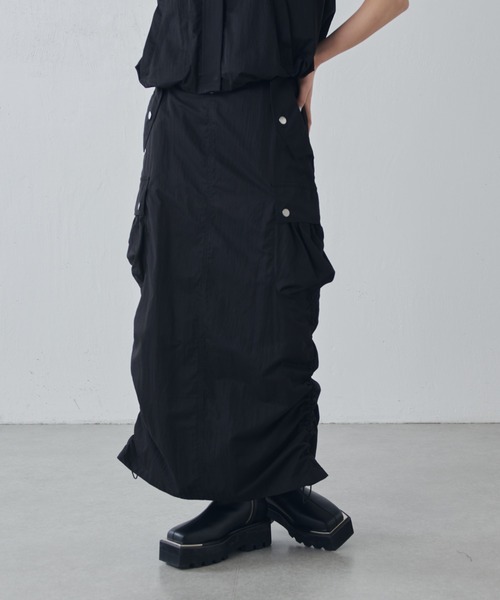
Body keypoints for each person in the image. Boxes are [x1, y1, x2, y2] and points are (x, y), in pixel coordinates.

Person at [117, 0, 409, 570]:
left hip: (262, 121)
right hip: (179, 120)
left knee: (271, 306)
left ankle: (277, 482)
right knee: (181, 311)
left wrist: (312, 58)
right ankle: (240, 498)